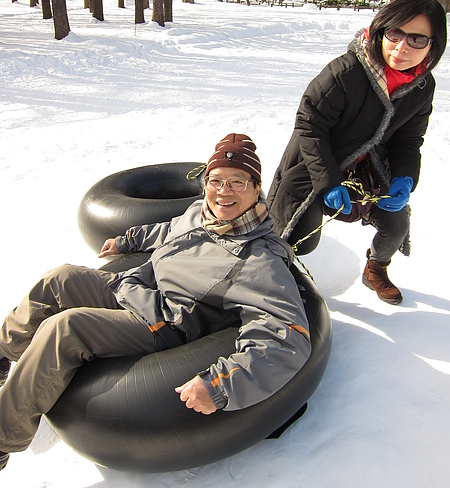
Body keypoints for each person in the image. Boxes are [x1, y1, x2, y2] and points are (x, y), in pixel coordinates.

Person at [0, 133, 311, 471]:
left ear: (255, 189)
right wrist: (128, 240)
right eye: (216, 180)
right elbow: (169, 231)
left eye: (237, 182)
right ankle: (4, 354)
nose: (224, 191)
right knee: (58, 279)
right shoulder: (201, 213)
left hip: (163, 322)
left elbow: (287, 336)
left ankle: (3, 439)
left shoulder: (258, 260)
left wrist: (223, 384)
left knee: (65, 328)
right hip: (136, 287)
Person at [267, 0, 447, 306]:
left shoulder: (422, 86)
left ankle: (375, 270)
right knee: (297, 234)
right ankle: (278, 278)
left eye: (418, 39)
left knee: (395, 225)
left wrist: (404, 178)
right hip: (316, 165)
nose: (402, 48)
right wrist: (329, 181)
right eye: (395, 34)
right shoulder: (346, 71)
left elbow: (408, 140)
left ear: (433, 44)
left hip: (369, 168)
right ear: (381, 30)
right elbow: (310, 126)